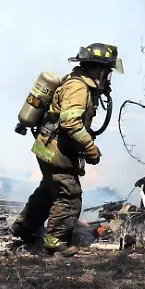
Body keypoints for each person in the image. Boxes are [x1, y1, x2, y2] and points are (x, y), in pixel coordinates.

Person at [11, 43, 121, 254]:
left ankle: (24, 228)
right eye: (108, 71)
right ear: (99, 69)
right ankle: (55, 241)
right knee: (69, 195)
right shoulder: (78, 88)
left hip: (47, 147)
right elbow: (70, 123)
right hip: (55, 151)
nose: (108, 77)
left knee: (48, 191)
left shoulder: (78, 82)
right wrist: (90, 148)